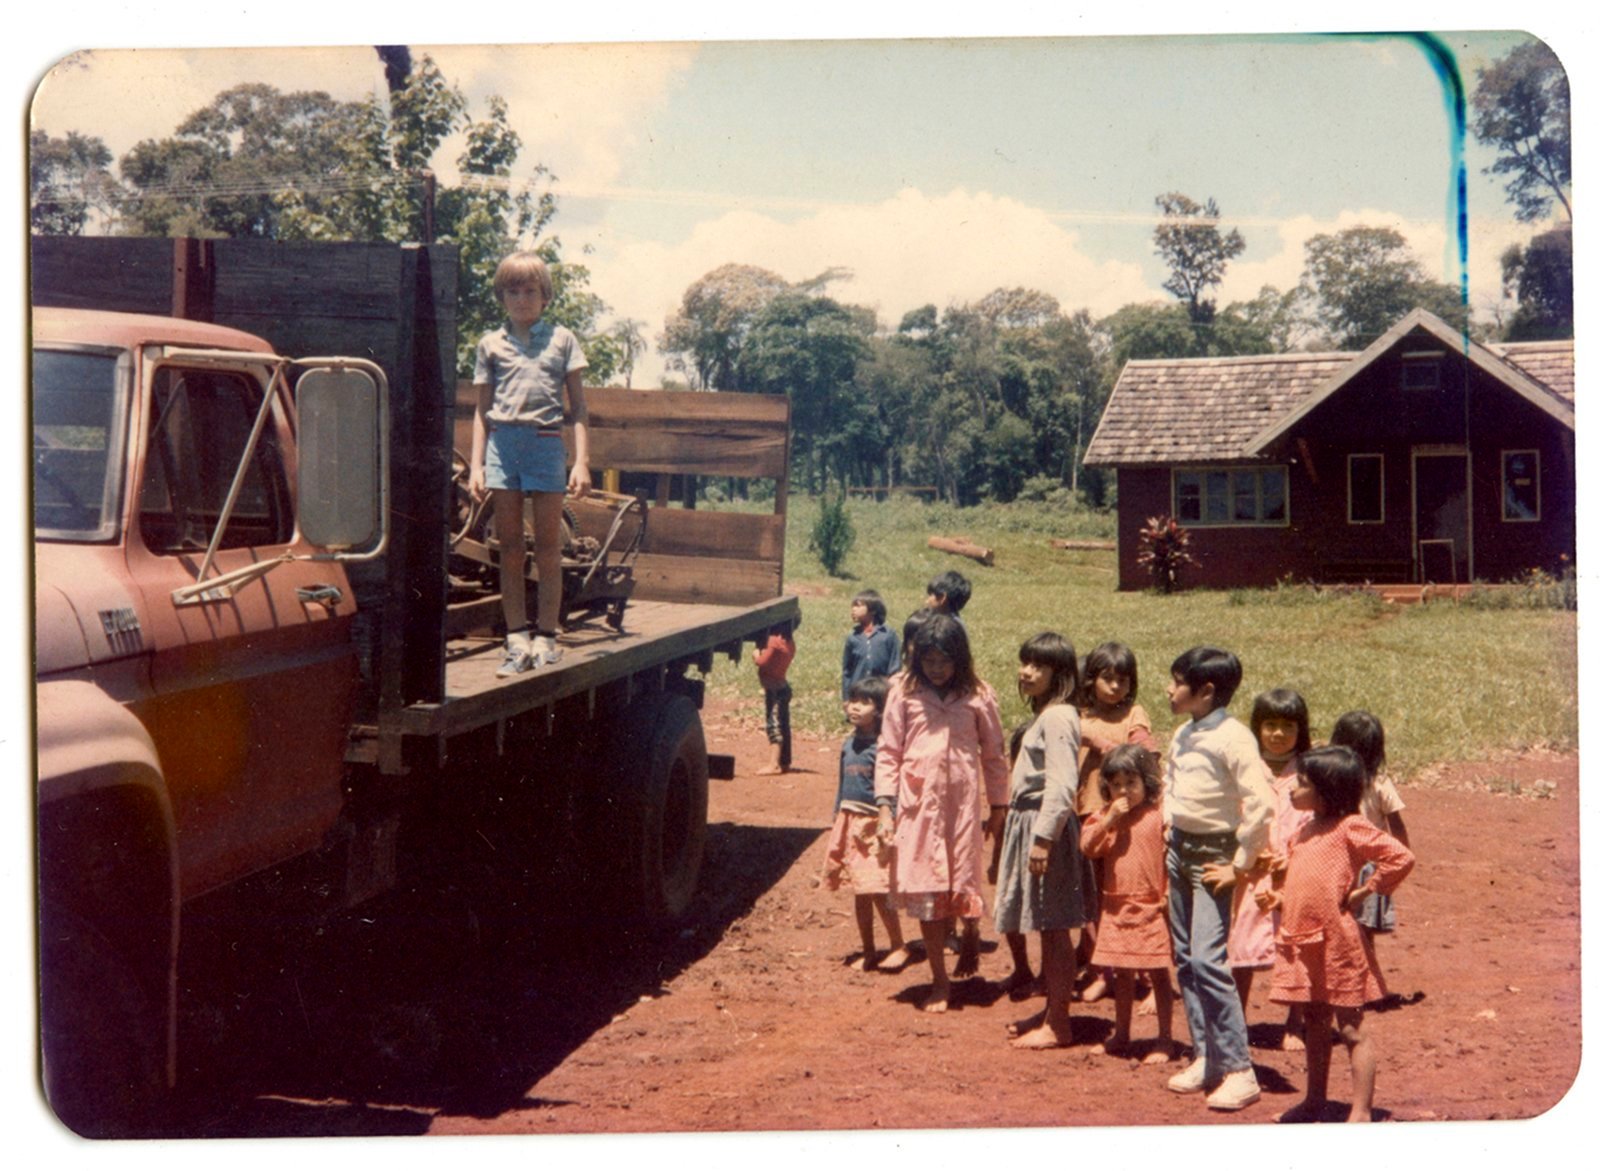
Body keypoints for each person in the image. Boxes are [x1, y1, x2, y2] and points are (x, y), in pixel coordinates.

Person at [1258, 746, 1415, 1122]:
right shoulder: (1303, 831)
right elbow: (1305, 884)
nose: (1293, 789)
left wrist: (1366, 889)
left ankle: (1360, 1111)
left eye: (1302, 783)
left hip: (1337, 943)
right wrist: (1278, 898)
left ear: (1327, 792)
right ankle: (1315, 1100)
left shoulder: (1350, 827)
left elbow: (1400, 856)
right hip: (1305, 941)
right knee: (1315, 1023)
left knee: (1350, 1027)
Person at [1161, 646, 1276, 1112]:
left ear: (1206, 691)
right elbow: (1170, 782)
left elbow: (1262, 803)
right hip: (1179, 850)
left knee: (1208, 960)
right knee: (1186, 959)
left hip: (1214, 857)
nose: (1169, 690)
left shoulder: (1234, 738)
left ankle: (1239, 1070)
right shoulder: (1183, 733)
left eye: (1176, 683)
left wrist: (1240, 863)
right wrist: (1169, 825)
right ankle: (1207, 1055)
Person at [874, 614, 1008, 1013]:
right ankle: (939, 979)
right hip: (917, 809)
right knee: (926, 886)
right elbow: (889, 752)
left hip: (962, 809)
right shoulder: (904, 691)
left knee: (964, 878)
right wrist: (885, 809)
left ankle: (970, 932)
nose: (936, 668)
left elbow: (994, 754)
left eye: (945, 661)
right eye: (929, 660)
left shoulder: (979, 694)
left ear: (960, 659)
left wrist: (998, 806)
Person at [469, 250, 591, 677]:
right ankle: (516, 638)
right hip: (503, 448)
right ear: (502, 296)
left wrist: (581, 462)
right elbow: (481, 412)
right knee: (510, 548)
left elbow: (579, 409)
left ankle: (547, 638)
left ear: (545, 296)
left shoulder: (562, 340)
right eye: (513, 291)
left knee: (549, 547)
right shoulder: (490, 344)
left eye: (530, 291)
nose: (521, 299)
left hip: (545, 445)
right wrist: (477, 465)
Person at [992, 633, 1087, 1049]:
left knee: (1053, 927)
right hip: (1028, 822)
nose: (1026, 672)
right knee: (1046, 925)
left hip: (1043, 826)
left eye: (1038, 666)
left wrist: (1044, 838)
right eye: (1025, 663)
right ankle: (1052, 1010)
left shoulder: (1059, 717)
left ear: (1059, 674)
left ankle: (1059, 1023)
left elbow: (1063, 785)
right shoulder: (1045, 715)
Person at [1228, 688, 1315, 1050]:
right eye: (1270, 725)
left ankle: (1295, 1021)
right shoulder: (1246, 767)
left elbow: (1317, 822)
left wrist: (1294, 856)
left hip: (1297, 872)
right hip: (1251, 870)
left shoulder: (1309, 771)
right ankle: (1235, 1021)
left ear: (1301, 729)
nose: (1278, 734)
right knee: (1240, 943)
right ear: (1257, 727)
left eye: (1288, 726)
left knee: (1296, 945)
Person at [1080, 743, 1177, 1064]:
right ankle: (1121, 1034)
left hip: (1151, 907)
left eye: (1131, 783)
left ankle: (1164, 1038)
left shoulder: (1156, 816)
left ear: (1146, 782)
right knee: (1122, 974)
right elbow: (1088, 847)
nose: (1123, 791)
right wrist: (1109, 820)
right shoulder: (1104, 818)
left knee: (1159, 974)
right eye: (1116, 784)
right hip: (1117, 907)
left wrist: (1166, 895)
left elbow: (1170, 859)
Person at [1074, 641, 1158, 1003]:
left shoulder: (1133, 714)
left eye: (1122, 681)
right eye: (1107, 679)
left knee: (1126, 893)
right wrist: (1094, 739)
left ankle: (1143, 970)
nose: (1114, 687)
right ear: (1090, 680)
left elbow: (1147, 754)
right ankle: (1101, 970)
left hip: (1126, 819)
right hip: (1089, 815)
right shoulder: (1080, 716)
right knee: (1092, 897)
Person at [822, 675, 910, 973]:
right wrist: (837, 814)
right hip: (849, 821)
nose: (854, 707)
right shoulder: (848, 744)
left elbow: (893, 789)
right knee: (860, 890)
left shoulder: (884, 748)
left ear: (881, 710)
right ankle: (869, 949)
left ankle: (898, 945)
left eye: (864, 702)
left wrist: (891, 822)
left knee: (876, 888)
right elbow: (841, 784)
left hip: (873, 826)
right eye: (852, 700)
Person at [1328, 710, 1410, 967]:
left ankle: (1366, 980)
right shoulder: (1333, 782)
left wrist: (1392, 868)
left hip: (1365, 867)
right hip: (1342, 862)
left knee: (1361, 930)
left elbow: (1397, 828)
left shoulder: (1377, 784)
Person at [841, 589, 901, 698]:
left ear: (872, 610)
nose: (853, 609)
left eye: (858, 605)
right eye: (853, 606)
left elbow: (895, 667)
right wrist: (846, 698)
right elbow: (847, 671)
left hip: (881, 693)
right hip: (858, 693)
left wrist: (892, 693)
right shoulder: (853, 638)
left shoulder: (888, 635)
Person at [754, 621, 796, 776]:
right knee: (783, 726)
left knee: (774, 725)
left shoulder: (773, 641)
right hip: (782, 687)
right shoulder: (789, 642)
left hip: (774, 691)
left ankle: (774, 764)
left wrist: (756, 654)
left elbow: (761, 662)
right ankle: (784, 762)